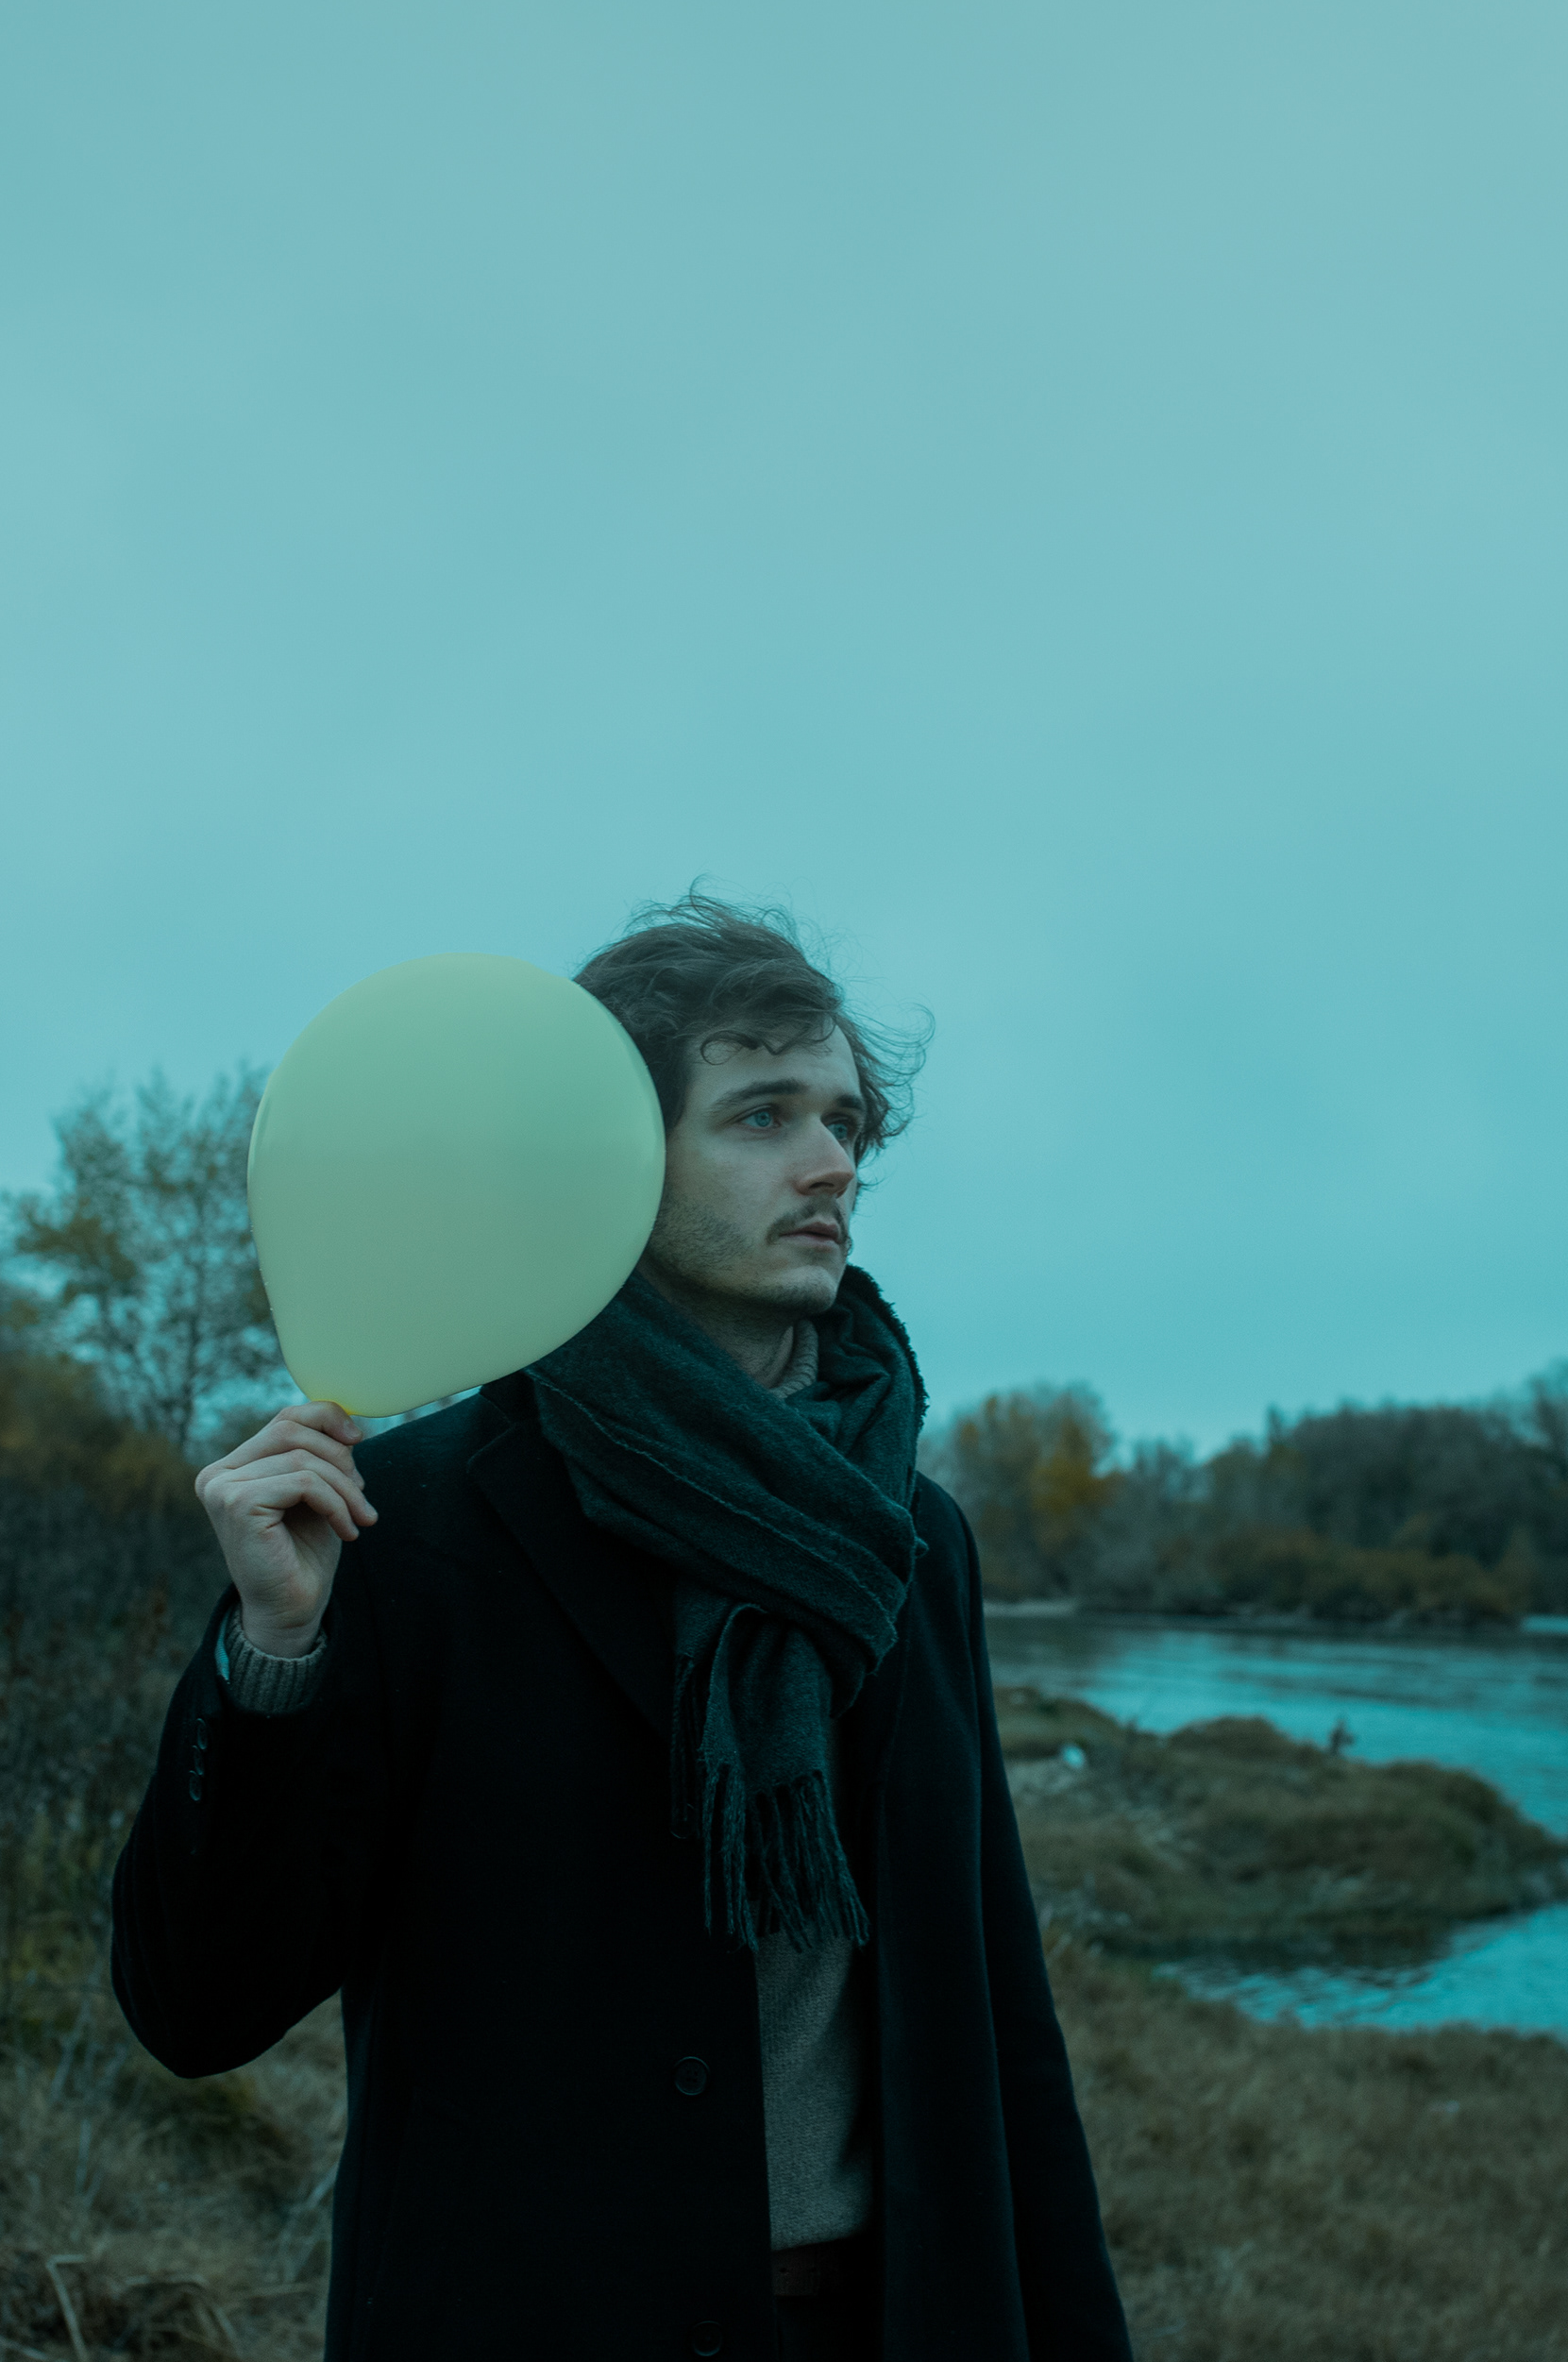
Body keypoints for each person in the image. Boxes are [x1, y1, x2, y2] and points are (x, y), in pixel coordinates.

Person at [110, 896, 1134, 2362]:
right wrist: (273, 1655)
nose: (831, 1162)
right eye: (763, 1115)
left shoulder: (910, 1536)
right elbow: (198, 2007)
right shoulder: (410, 1523)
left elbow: (999, 2017)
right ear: (603, 1159)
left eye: (846, 1121)